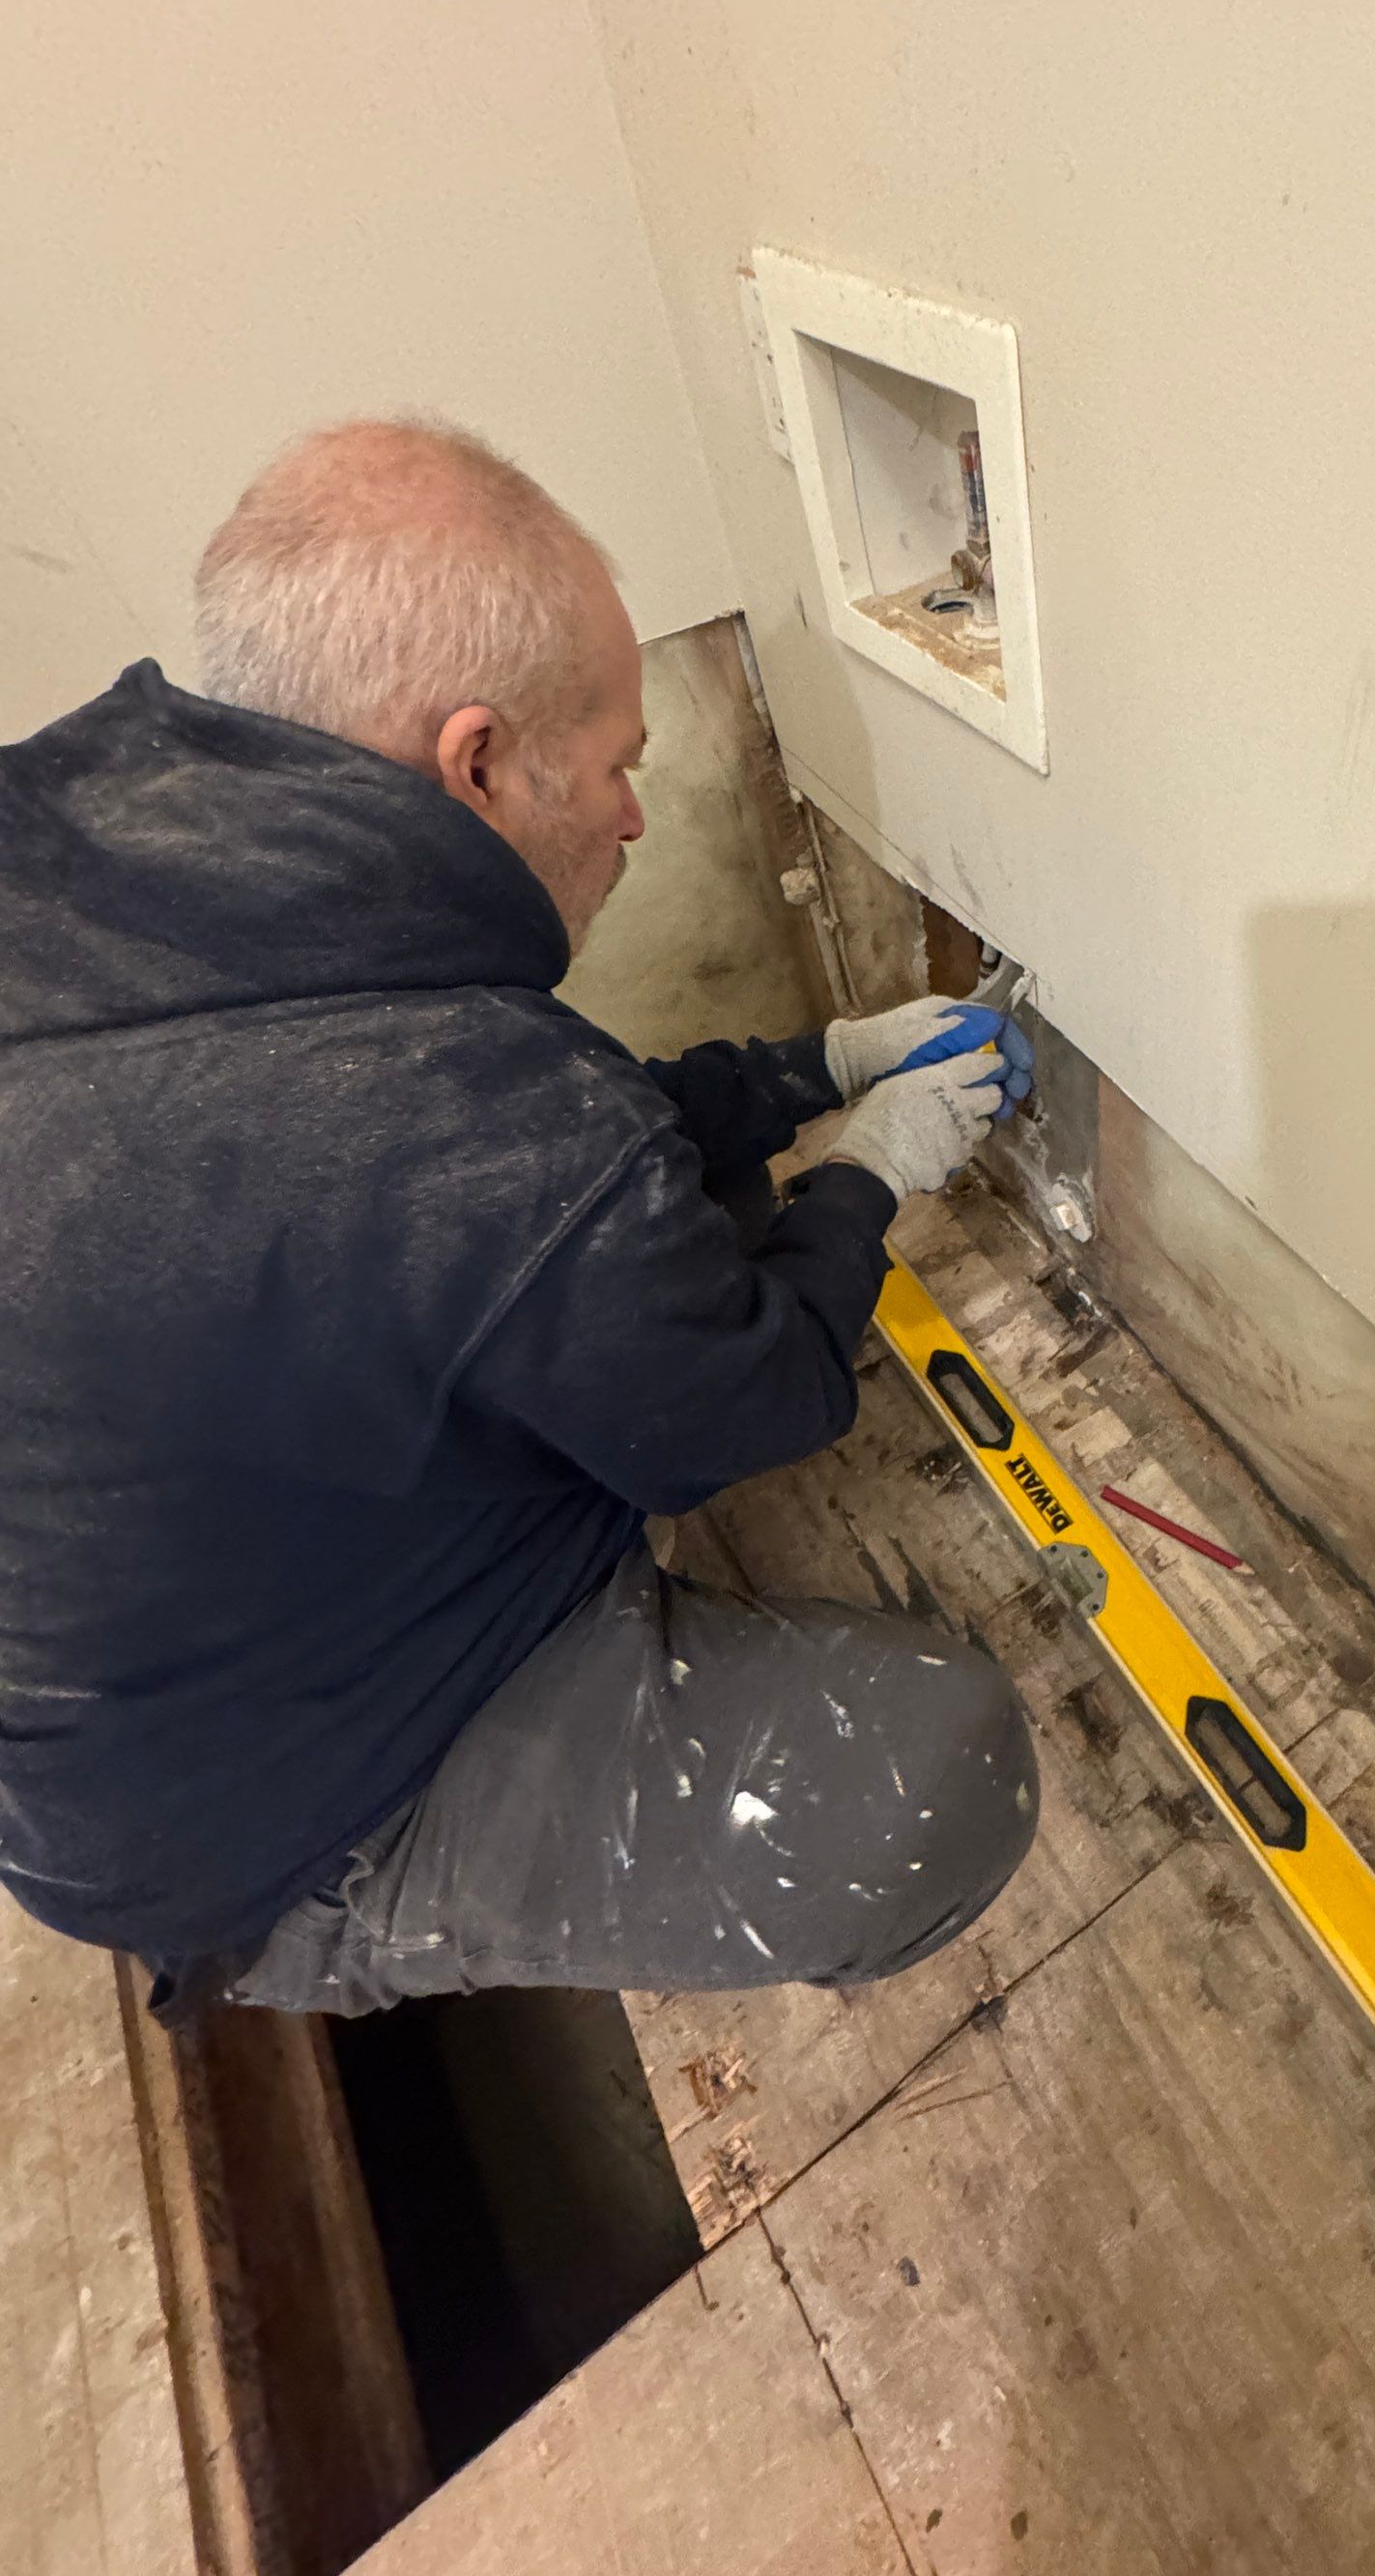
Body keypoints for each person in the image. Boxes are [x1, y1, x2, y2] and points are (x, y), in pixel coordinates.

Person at [0, 417, 1040, 2019]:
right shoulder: (461, 1121)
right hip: (260, 1824)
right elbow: (748, 1394)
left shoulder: (96, 861)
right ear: (475, 761)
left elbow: (533, 1161)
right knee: (930, 1780)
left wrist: (811, 1071)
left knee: (650, 1236)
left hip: (139, 1664)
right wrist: (871, 1169)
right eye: (619, 763)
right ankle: (368, 1910)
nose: (633, 818)